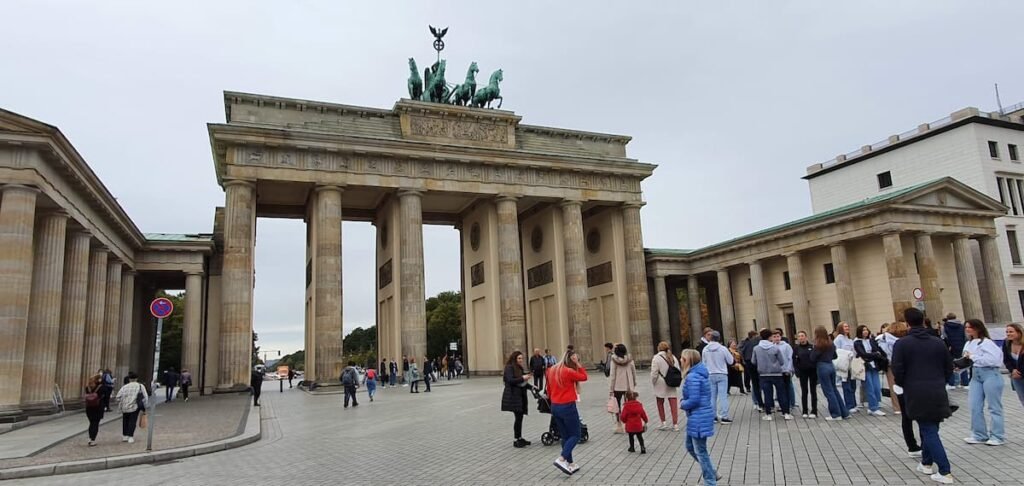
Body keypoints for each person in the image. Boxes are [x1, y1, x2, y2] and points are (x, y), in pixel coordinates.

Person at [892, 307, 954, 484]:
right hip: (937, 389)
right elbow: (948, 367)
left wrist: (903, 384)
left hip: (916, 390)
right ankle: (926, 463)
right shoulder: (937, 342)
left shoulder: (902, 344)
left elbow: (897, 369)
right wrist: (940, 380)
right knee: (931, 427)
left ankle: (945, 471)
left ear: (907, 323)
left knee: (928, 429)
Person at [679, 349, 719, 486]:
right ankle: (711, 472)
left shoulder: (693, 376)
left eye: (682, 358)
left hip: (699, 416)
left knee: (700, 450)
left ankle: (710, 481)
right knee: (690, 446)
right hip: (699, 416)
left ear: (688, 360)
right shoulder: (698, 373)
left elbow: (694, 400)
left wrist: (682, 403)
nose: (680, 360)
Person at [962, 319, 1004, 446]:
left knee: (994, 406)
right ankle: (979, 434)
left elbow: (993, 360)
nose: (967, 329)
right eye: (966, 327)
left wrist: (973, 357)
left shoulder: (987, 342)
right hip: (975, 375)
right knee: (975, 406)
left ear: (978, 328)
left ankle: (997, 435)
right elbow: (967, 359)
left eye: (970, 327)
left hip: (990, 373)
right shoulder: (968, 343)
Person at [546, 349, 588, 475]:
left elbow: (548, 390)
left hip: (555, 406)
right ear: (572, 359)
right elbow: (584, 377)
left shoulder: (551, 370)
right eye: (575, 359)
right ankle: (562, 459)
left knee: (565, 436)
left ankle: (570, 463)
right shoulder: (568, 371)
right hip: (567, 406)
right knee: (575, 435)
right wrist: (578, 365)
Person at [888, 321, 923, 457]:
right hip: (913, 382)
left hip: (901, 384)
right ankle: (922, 444)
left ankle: (912, 446)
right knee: (920, 415)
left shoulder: (888, 342)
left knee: (906, 417)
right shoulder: (906, 343)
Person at [752, 328, 790, 420]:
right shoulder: (775, 348)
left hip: (763, 374)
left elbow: (753, 361)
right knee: (781, 393)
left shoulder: (756, 348)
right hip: (777, 374)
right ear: (770, 337)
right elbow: (782, 361)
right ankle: (786, 413)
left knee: (767, 394)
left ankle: (768, 414)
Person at [811, 326, 848, 421]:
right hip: (831, 365)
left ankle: (836, 414)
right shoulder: (831, 344)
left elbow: (813, 358)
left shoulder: (818, 345)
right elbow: (835, 356)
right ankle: (844, 412)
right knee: (834, 389)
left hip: (822, 366)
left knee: (828, 391)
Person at [500, 350, 532, 448]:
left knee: (519, 417)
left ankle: (519, 437)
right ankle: (517, 439)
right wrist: (523, 378)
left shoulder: (519, 367)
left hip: (519, 396)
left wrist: (532, 387)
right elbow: (510, 380)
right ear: (514, 358)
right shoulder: (509, 367)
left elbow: (521, 383)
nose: (521, 360)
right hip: (513, 396)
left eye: (522, 358)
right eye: (519, 358)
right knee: (518, 418)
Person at [701, 331, 734, 424]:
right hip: (721, 374)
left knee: (712, 397)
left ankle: (713, 417)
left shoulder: (705, 349)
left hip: (710, 374)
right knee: (723, 396)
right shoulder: (723, 348)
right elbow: (731, 361)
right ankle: (724, 417)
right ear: (719, 338)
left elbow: (703, 363)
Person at [854, 324, 886, 416]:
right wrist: (875, 354)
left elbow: (877, 351)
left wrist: (874, 354)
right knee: (869, 387)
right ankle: (873, 408)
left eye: (866, 330)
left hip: (874, 366)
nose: (865, 331)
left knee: (876, 386)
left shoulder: (872, 340)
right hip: (865, 366)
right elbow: (863, 354)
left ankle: (875, 403)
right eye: (863, 330)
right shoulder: (857, 342)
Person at [650, 341, 680, 431]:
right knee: (673, 403)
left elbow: (654, 373)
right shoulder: (673, 357)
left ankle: (663, 423)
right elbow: (678, 369)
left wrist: (653, 382)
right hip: (671, 381)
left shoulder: (656, 358)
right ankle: (675, 424)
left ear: (658, 348)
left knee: (660, 403)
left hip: (660, 382)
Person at [607, 343, 636, 434]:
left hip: (617, 386)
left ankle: (619, 425)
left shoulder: (614, 360)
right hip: (628, 385)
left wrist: (611, 389)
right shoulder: (629, 359)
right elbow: (633, 372)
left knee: (617, 406)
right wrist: (634, 383)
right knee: (629, 405)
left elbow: (612, 375)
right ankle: (629, 423)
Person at [833, 321, 860, 414]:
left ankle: (854, 403)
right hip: (844, 364)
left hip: (852, 364)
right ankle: (849, 405)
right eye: (845, 327)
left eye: (847, 326)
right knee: (846, 385)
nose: (847, 328)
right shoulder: (839, 339)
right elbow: (837, 351)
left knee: (853, 385)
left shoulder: (849, 339)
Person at [114, 372, 148, 444]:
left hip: (125, 406)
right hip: (134, 406)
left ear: (129, 379)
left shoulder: (124, 387)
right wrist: (144, 406)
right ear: (136, 379)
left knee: (125, 421)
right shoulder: (140, 386)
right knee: (132, 421)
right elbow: (145, 397)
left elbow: (117, 397)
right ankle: (130, 436)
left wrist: (123, 401)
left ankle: (125, 436)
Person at [792, 330, 818, 419]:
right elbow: (794, 361)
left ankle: (814, 410)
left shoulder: (812, 347)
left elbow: (815, 359)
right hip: (802, 372)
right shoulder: (796, 348)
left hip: (812, 371)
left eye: (802, 336)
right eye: (799, 336)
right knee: (804, 391)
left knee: (813, 391)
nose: (801, 338)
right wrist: (797, 371)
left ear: (806, 337)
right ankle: (805, 410)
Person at [877, 323, 901, 413]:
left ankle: (899, 406)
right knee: (893, 385)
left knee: (895, 385)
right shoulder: (881, 340)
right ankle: (897, 407)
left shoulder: (891, 339)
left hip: (893, 363)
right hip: (890, 363)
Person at [942, 313, 968, 390]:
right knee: (963, 364)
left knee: (950, 365)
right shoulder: (961, 326)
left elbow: (944, 337)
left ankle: (952, 383)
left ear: (948, 318)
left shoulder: (945, 326)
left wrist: (948, 346)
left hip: (951, 347)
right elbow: (965, 337)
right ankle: (965, 382)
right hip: (961, 346)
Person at [739, 330, 762, 410]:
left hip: (749, 361)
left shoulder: (745, 342)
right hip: (753, 362)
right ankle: (758, 401)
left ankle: (756, 401)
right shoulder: (755, 341)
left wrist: (743, 359)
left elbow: (740, 350)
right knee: (757, 383)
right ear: (753, 336)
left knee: (755, 383)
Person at [1003, 323, 1024, 408]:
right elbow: (1006, 359)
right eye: (1007, 332)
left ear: (1019, 332)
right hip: (1016, 376)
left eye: (1011, 332)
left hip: (1021, 373)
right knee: (1022, 399)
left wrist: (1020, 373)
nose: (1008, 334)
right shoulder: (1006, 343)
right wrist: (1012, 370)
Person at [776, 330, 797, 412]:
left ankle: (791, 403)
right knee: (779, 388)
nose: (776, 338)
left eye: (778, 336)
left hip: (785, 370)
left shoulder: (786, 346)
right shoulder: (772, 346)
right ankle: (782, 404)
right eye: (774, 337)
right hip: (777, 371)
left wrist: (789, 369)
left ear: (780, 337)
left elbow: (790, 358)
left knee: (788, 387)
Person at [84, 373, 104, 446]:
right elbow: (104, 395)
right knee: (95, 423)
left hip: (89, 407)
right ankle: (92, 439)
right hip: (98, 407)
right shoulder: (101, 387)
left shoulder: (87, 388)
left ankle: (90, 438)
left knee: (91, 423)